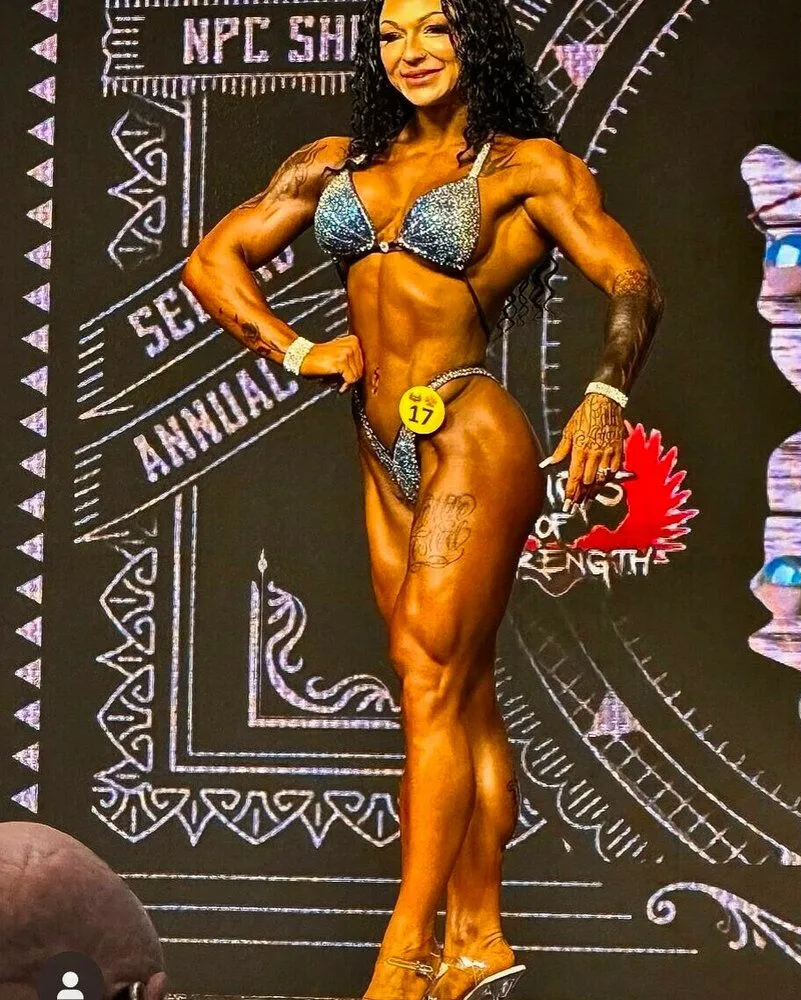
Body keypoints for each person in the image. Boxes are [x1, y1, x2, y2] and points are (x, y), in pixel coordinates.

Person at [182, 0, 664, 995]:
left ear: (471, 41)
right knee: (462, 693)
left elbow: (630, 283)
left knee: (427, 676)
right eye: (392, 34)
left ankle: (403, 957)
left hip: (468, 431)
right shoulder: (336, 164)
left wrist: (605, 397)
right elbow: (212, 260)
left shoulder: (526, 168)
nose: (411, 51)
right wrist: (297, 349)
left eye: (434, 29)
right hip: (378, 443)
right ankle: (478, 938)